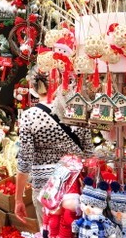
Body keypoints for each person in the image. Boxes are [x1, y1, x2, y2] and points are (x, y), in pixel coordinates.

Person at [14, 73, 93, 223]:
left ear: (33, 88)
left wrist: (18, 199)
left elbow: (25, 162)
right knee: (74, 234)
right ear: (57, 84)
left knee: (49, 235)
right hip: (75, 183)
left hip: (45, 187)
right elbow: (89, 153)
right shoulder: (76, 110)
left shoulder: (29, 116)